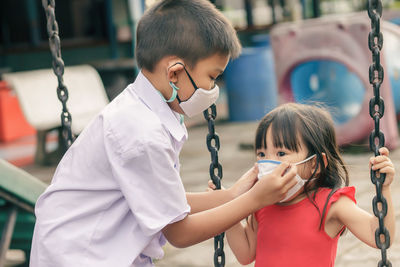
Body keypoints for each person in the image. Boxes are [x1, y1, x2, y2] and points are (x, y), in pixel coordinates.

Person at [29, 1, 300, 266]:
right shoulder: (140, 132)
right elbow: (180, 232)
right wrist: (255, 200)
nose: (213, 89)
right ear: (175, 74)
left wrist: (232, 195)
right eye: (212, 77)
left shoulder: (144, 113)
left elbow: (164, 200)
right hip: (80, 256)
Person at [209, 103, 396, 267]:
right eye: (262, 154)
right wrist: (227, 202)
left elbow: (380, 237)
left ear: (315, 163)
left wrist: (384, 188)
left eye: (281, 153)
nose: (268, 163)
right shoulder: (262, 202)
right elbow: (245, 253)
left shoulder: (331, 204)